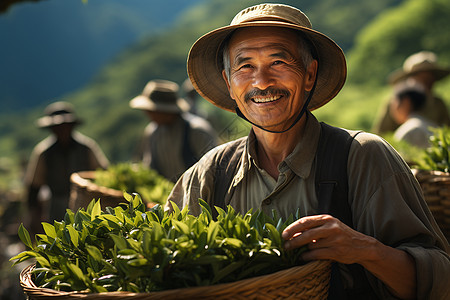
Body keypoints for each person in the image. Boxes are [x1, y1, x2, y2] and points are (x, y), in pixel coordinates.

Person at [165, 3, 449, 299]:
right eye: (245, 66)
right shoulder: (210, 173)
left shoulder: (363, 157)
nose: (261, 82)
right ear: (228, 82)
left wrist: (364, 250)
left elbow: (440, 281)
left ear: (310, 74)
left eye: (278, 62)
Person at [24, 101, 109, 235]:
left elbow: (104, 175)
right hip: (56, 209)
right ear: (51, 129)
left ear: (72, 126)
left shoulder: (87, 148)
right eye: (58, 127)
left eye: (65, 126)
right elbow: (33, 188)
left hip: (86, 206)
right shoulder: (44, 152)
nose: (62, 130)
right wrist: (33, 219)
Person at [130, 79, 218, 182]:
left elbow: (214, 169)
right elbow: (148, 167)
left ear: (164, 111)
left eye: (151, 111)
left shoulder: (196, 131)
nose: (147, 114)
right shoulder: (152, 132)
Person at [372, 51, 450, 135]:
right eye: (423, 79)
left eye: (430, 79)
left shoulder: (438, 104)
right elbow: (382, 134)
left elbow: (446, 131)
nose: (427, 83)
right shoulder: (396, 103)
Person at [390, 81, 437, 148]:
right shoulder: (433, 127)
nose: (392, 108)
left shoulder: (406, 132)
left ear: (406, 103)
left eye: (394, 102)